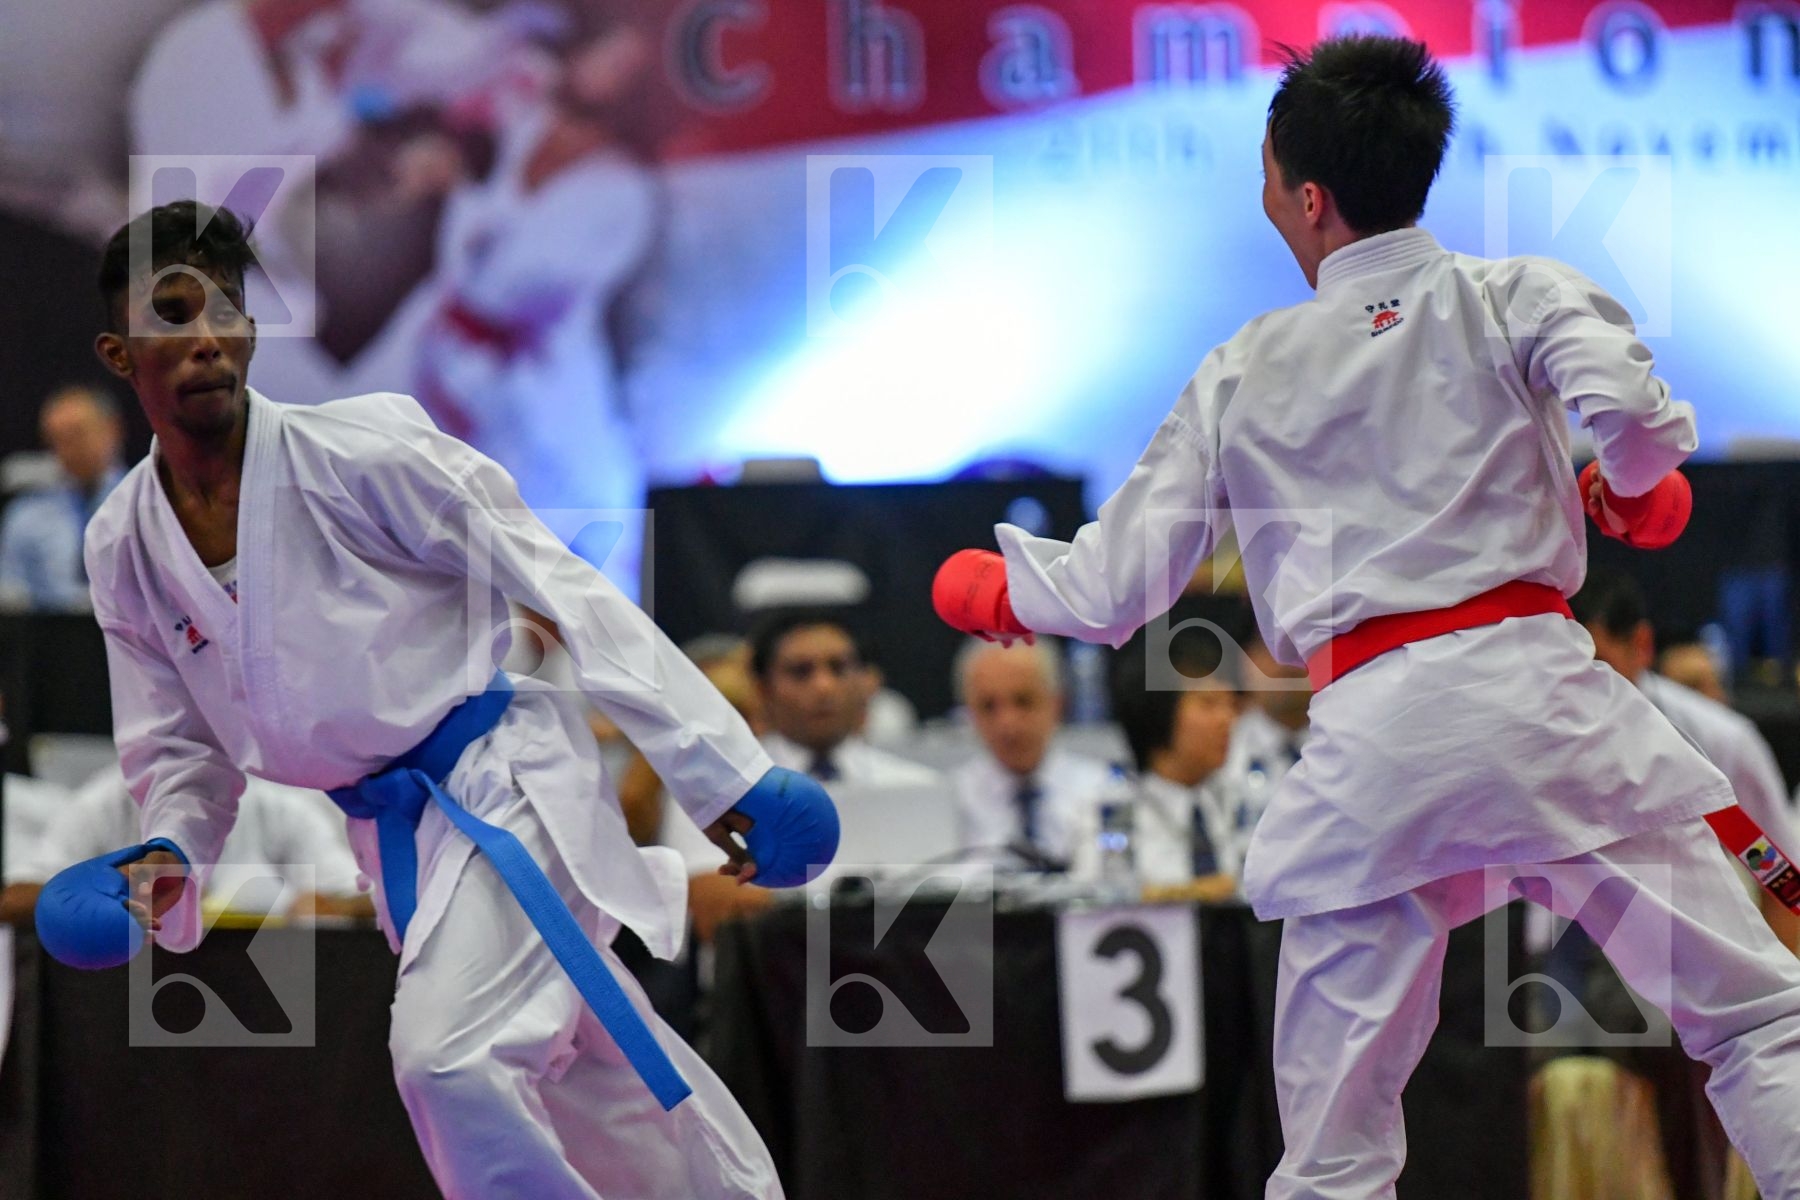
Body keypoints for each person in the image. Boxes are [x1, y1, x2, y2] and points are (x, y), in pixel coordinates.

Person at [932, 36, 1800, 1198]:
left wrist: (995, 589)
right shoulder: (1515, 293)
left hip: (1376, 753)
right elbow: (1638, 429)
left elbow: (1111, 591)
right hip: (1545, 709)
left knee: (1334, 1151)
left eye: (1264, 179)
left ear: (1308, 196)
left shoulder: (1244, 368)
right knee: (1754, 1017)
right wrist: (1636, 495)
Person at [59, 200, 835, 1198]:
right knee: (586, 1090)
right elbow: (179, 749)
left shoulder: (364, 454)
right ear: (121, 354)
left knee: (452, 1062)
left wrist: (724, 774)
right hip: (391, 837)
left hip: (504, 781)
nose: (206, 338)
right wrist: (171, 851)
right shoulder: (123, 542)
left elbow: (568, 588)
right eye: (173, 314)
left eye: (226, 312)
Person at [7, 764, 370, 922]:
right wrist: (106, 889)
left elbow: (362, 899)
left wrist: (326, 908)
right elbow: (15, 897)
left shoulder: (278, 808)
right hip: (126, 1005)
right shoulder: (106, 803)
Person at [1067, 640, 1242, 886]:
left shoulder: (1243, 802)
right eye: (1208, 704)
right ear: (1159, 710)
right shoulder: (1113, 817)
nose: (1228, 719)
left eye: (1231, 704)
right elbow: (1095, 911)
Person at [948, 636, 1109, 869]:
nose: (1007, 724)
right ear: (968, 712)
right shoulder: (953, 799)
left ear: (1057, 704)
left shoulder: (1103, 791)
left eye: (1023, 701)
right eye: (988, 706)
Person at [751, 608, 940, 787]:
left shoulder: (914, 788)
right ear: (763, 689)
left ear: (865, 681)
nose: (824, 687)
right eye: (801, 672)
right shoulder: (737, 796)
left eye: (839, 668)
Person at [0, 386, 125, 611]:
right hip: (51, 635)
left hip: (132, 632)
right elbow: (11, 593)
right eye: (57, 439)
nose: (68, 449)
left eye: (77, 434)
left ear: (111, 429)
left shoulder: (147, 501)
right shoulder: (26, 515)